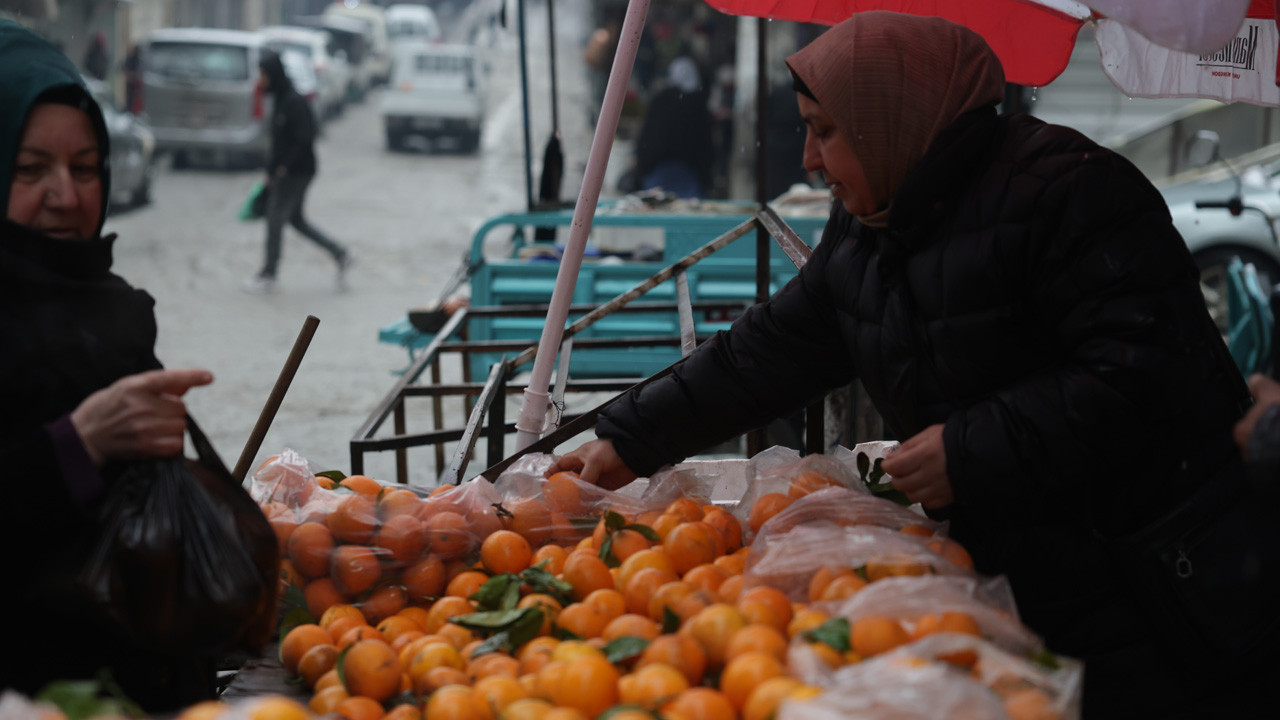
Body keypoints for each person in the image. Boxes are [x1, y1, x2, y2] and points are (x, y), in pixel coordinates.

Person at [551, 12, 1276, 718]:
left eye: (825, 131)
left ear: (892, 117)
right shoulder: (875, 223)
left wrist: (969, 449)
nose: (807, 158)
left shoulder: (1075, 193)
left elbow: (1144, 373)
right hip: (1029, 584)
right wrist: (625, 440)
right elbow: (768, 349)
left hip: (1167, 586)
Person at [0, 20, 218, 709]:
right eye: (30, 170)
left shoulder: (118, 310)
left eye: (85, 167)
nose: (66, 195)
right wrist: (78, 444)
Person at [245, 50, 353, 294]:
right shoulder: (281, 100)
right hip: (285, 172)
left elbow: (305, 139)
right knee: (296, 220)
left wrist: (283, 168)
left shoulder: (294, 102)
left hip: (297, 172)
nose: (260, 80)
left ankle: (269, 273)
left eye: (262, 74)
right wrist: (271, 170)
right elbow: (278, 142)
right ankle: (341, 253)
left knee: (275, 220)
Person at [629, 55, 714, 198]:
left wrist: (642, 165)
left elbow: (649, 137)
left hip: (659, 171)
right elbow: (705, 145)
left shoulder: (662, 100)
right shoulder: (698, 103)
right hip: (689, 173)